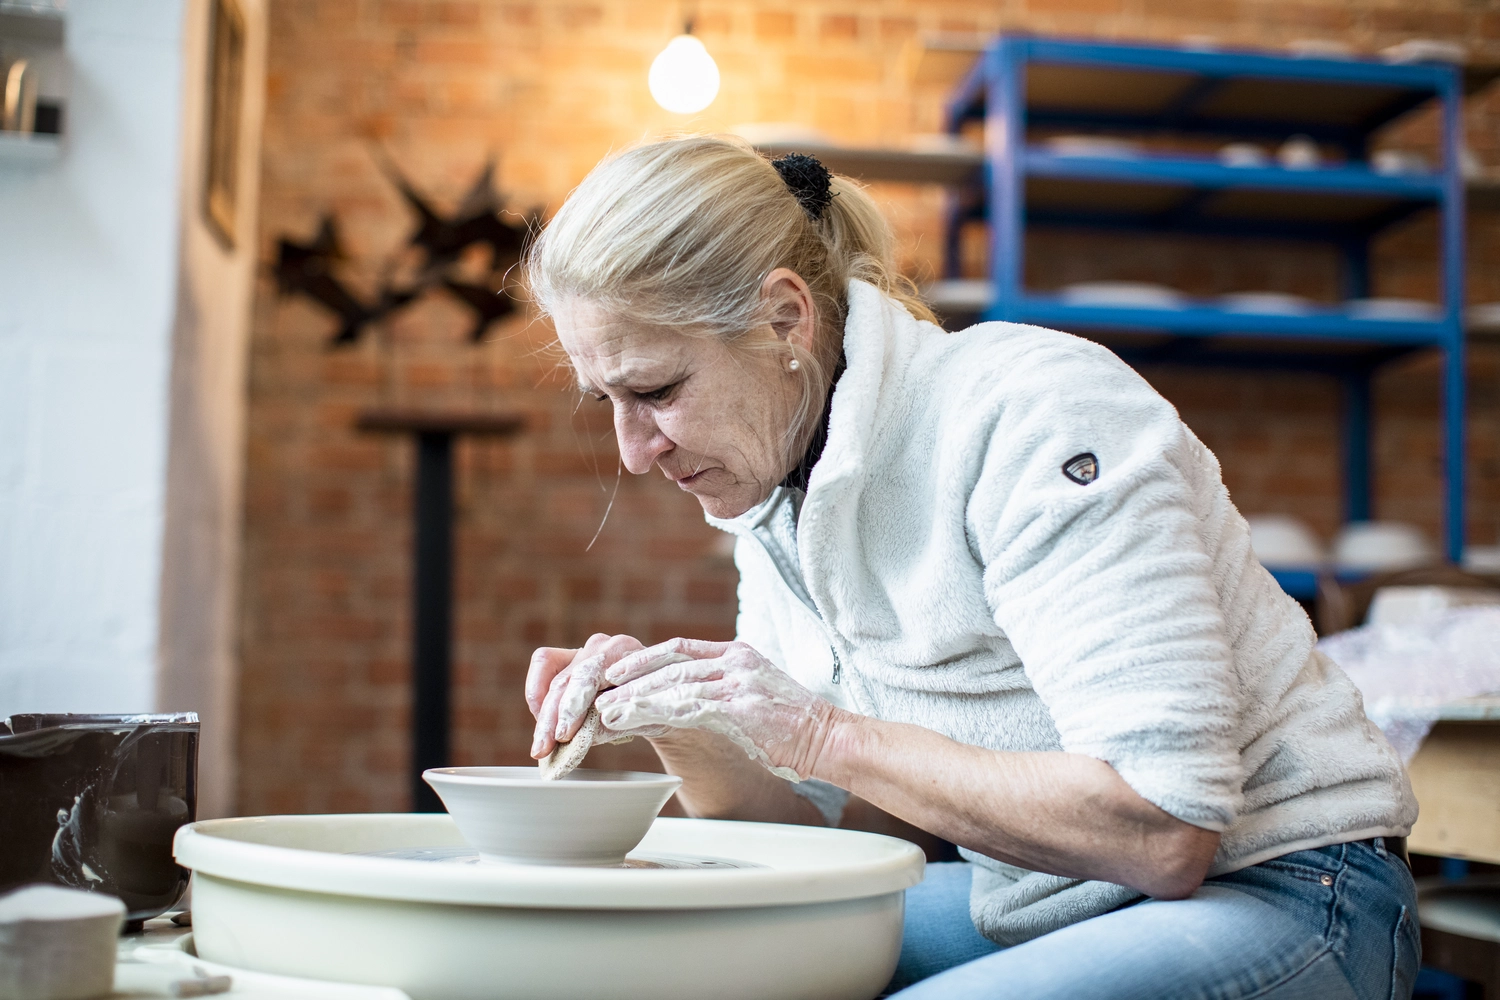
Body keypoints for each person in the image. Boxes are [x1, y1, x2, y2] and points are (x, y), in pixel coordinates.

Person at [522, 135, 1420, 999]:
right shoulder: (778, 500)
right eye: (606, 400)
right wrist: (688, 722)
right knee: (661, 970)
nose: (633, 451)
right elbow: (833, 839)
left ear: (784, 317)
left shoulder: (1029, 414)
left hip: (1292, 887)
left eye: (656, 391)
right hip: (1045, 893)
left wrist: (817, 732)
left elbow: (1164, 827)